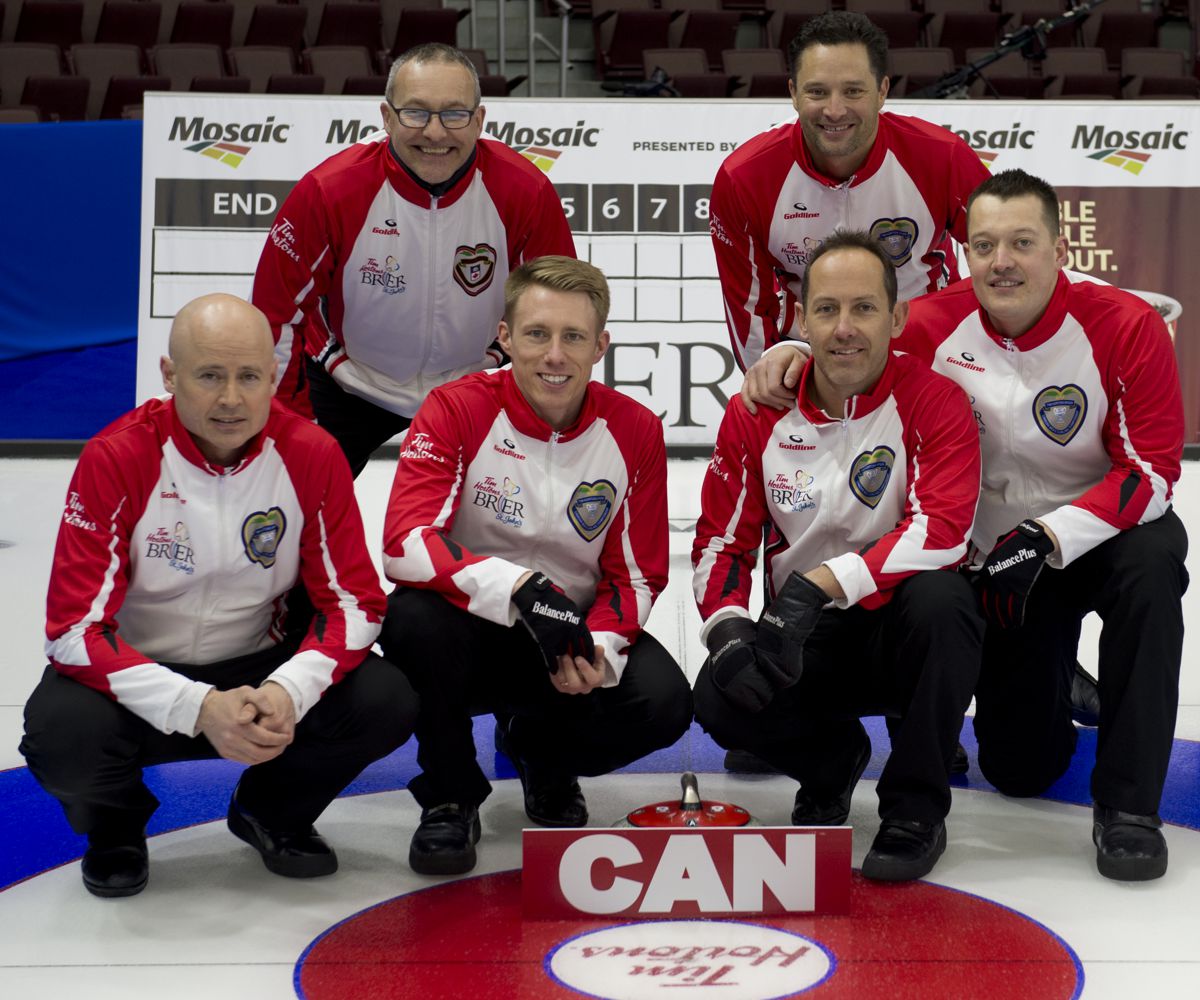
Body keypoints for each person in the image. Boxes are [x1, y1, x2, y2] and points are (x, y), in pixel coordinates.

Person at [745, 170, 1186, 882]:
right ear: (966, 253)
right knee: (1021, 770)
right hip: (988, 562)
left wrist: (1048, 538)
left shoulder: (1125, 324)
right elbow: (851, 346)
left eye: (1021, 242)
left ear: (1059, 246)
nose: (1001, 261)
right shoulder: (928, 324)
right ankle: (1056, 675)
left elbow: (1155, 471)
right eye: (984, 245)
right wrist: (789, 354)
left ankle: (1129, 808)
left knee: (1155, 563)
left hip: (1096, 540)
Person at [20, 294, 418, 898]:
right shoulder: (115, 457)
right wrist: (199, 706)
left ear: (274, 378)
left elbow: (356, 604)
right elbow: (72, 631)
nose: (231, 398)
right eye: (209, 376)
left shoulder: (312, 453)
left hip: (259, 667)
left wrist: (290, 688)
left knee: (385, 698)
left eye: (248, 376)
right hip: (140, 672)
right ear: (170, 376)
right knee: (59, 733)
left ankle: (271, 811)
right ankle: (116, 829)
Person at [379, 256, 692, 876]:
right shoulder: (455, 408)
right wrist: (519, 588)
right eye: (537, 334)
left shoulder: (633, 428)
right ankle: (449, 794)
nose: (555, 355)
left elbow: (634, 575)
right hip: (467, 625)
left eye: (573, 337)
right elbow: (404, 543)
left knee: (663, 704)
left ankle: (542, 753)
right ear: (505, 337)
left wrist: (599, 650)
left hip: (565, 638)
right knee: (411, 619)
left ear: (600, 345)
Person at [692, 231, 983, 882]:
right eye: (826, 309)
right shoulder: (756, 411)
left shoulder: (933, 401)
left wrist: (822, 582)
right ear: (801, 320)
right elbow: (721, 542)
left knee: (945, 602)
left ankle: (914, 810)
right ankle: (830, 761)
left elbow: (942, 529)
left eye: (864, 309)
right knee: (715, 695)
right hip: (805, 636)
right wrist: (728, 627)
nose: (844, 328)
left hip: (897, 626)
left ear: (897, 317)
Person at [252, 43, 576, 476]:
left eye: (455, 114)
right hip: (347, 382)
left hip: (474, 385)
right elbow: (274, 315)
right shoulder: (329, 191)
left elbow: (562, 310)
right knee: (288, 505)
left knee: (519, 524)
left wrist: (544, 410)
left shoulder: (525, 190)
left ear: (479, 121)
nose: (436, 133)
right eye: (416, 113)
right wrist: (292, 424)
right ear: (386, 118)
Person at [710, 10, 989, 373]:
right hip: (813, 359)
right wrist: (771, 375)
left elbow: (1000, 259)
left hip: (929, 354)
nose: (835, 110)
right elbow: (748, 312)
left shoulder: (944, 157)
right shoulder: (744, 177)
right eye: (817, 92)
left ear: (882, 91)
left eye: (853, 91)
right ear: (794, 93)